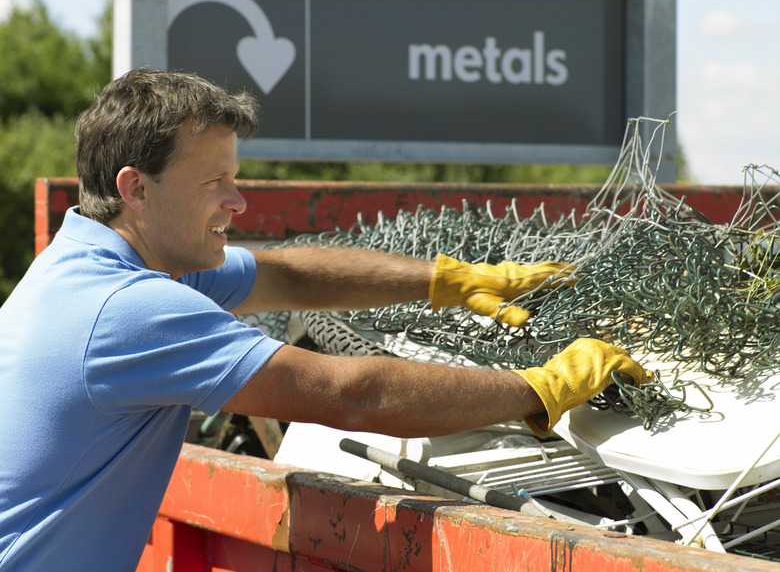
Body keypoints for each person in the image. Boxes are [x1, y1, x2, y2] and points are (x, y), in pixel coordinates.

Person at [0, 68, 652, 571]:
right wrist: (534, 390)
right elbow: (349, 392)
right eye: (214, 182)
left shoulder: (87, 261)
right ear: (137, 187)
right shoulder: (129, 309)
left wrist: (449, 282)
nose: (237, 199)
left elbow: (286, 274)